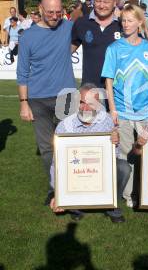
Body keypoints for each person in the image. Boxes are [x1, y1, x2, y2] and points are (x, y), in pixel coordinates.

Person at [16, 0, 76, 204]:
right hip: (38, 100)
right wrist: (24, 104)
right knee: (47, 148)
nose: (54, 16)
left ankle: (74, 188)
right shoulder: (27, 37)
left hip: (67, 96)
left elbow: (94, 23)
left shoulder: (68, 27)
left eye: (58, 12)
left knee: (70, 144)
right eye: (50, 12)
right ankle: (55, 189)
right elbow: (22, 73)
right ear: (40, 9)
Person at [102, 4, 148, 208]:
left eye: (130, 20)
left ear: (139, 22)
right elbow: (108, 81)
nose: (126, 24)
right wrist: (112, 109)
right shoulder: (114, 48)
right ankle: (128, 195)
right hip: (123, 111)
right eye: (123, 21)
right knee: (126, 154)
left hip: (147, 112)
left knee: (146, 152)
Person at [49, 83, 130, 223]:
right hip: (75, 170)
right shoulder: (64, 126)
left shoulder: (107, 121)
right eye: (82, 103)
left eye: (91, 104)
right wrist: (57, 193)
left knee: (123, 168)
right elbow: (56, 163)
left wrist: (115, 142)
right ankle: (74, 206)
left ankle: (111, 204)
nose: (85, 108)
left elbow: (113, 157)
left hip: (100, 169)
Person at [71, 0, 122, 88]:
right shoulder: (82, 23)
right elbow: (67, 51)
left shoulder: (123, 25)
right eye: (98, 1)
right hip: (90, 90)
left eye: (106, 2)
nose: (102, 6)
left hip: (118, 90)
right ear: (93, 1)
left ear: (114, 3)